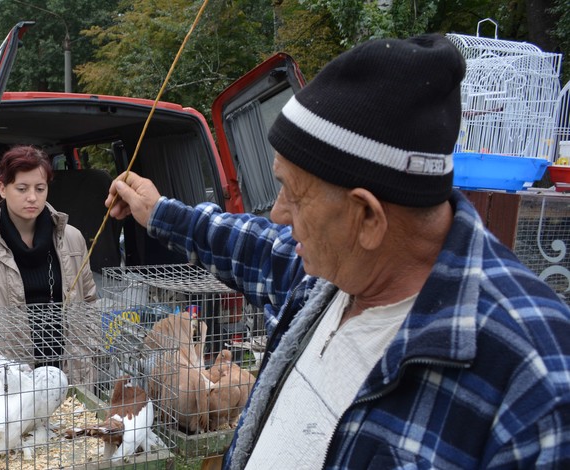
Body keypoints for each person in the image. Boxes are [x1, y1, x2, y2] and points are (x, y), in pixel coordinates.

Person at [106, 35, 570, 469]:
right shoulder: (335, 269)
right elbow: (250, 243)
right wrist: (158, 211)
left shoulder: (533, 382)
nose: (279, 215)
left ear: (366, 217)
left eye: (291, 192)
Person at [0, 145, 97, 369]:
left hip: (71, 377)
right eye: (22, 188)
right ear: (3, 188)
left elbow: (90, 303)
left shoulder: (72, 238)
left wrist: (87, 349)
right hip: (9, 387)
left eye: (40, 188)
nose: (32, 197)